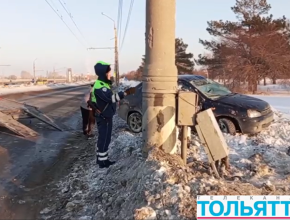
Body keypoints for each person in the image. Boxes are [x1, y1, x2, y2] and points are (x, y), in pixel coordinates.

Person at [88, 61, 136, 168]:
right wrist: (126, 93)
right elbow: (111, 99)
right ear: (103, 73)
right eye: (108, 72)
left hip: (105, 116)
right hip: (103, 117)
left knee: (104, 138)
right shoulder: (100, 86)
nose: (110, 74)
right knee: (104, 139)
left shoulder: (103, 84)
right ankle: (102, 162)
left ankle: (102, 159)